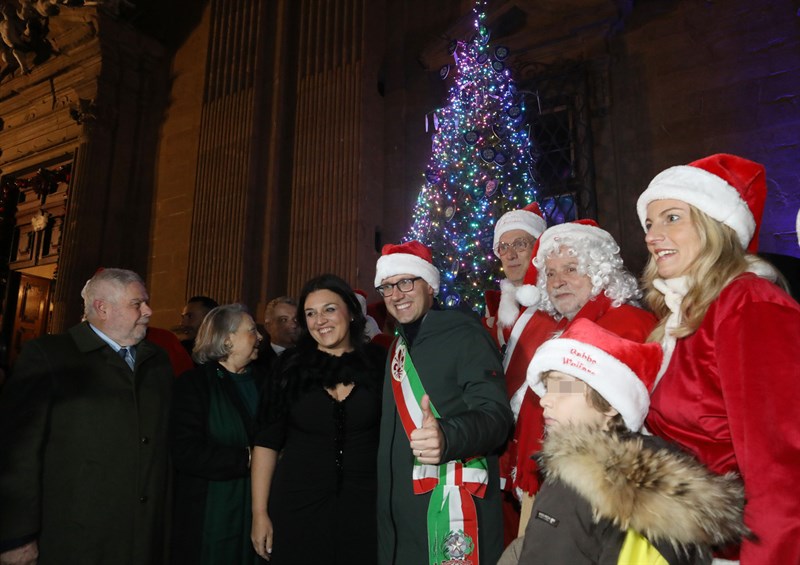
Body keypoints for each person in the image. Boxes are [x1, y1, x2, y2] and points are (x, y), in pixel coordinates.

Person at [637, 153, 800, 563]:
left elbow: (782, 467)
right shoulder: (684, 312)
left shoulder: (749, 304)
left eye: (672, 217)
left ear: (715, 226)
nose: (653, 235)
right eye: (649, 223)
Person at [499, 319, 749, 564]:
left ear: (608, 404)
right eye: (546, 387)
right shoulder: (601, 474)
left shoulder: (598, 485)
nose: (544, 400)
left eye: (561, 387)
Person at [0, 268, 173, 565]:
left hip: (143, 535)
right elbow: (18, 453)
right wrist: (16, 536)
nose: (148, 310)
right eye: (138, 303)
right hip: (74, 535)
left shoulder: (157, 361)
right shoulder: (48, 356)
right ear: (102, 308)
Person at [510, 219, 657, 533]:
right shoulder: (569, 332)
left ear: (600, 272)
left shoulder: (627, 326)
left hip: (596, 498)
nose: (558, 281)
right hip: (558, 485)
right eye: (550, 273)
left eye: (571, 269)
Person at [374, 241, 513, 565]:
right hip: (399, 520)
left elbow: (496, 416)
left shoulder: (465, 334)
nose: (397, 294)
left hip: (453, 507)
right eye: (387, 287)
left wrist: (447, 436)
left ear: (430, 285)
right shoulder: (396, 348)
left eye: (407, 282)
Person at [250, 275, 385, 564]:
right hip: (297, 506)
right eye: (310, 313)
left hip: (366, 508)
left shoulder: (379, 363)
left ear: (350, 312)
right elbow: (266, 442)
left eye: (329, 309)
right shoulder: (289, 367)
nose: (319, 320)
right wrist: (259, 513)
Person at [170, 304, 268, 565]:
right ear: (227, 339)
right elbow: (185, 451)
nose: (260, 337)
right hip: (211, 513)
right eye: (251, 331)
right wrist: (249, 459)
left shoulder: (266, 383)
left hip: (261, 508)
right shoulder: (194, 386)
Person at [482, 202, 548, 545]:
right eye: (503, 247)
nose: (510, 254)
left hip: (541, 452)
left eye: (520, 244)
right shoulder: (494, 317)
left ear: (537, 248)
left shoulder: (554, 306)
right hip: (502, 448)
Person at [260, 296, 300, 362]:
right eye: (284, 320)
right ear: (268, 327)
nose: (293, 325)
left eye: (296, 319)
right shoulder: (256, 359)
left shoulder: (311, 357)